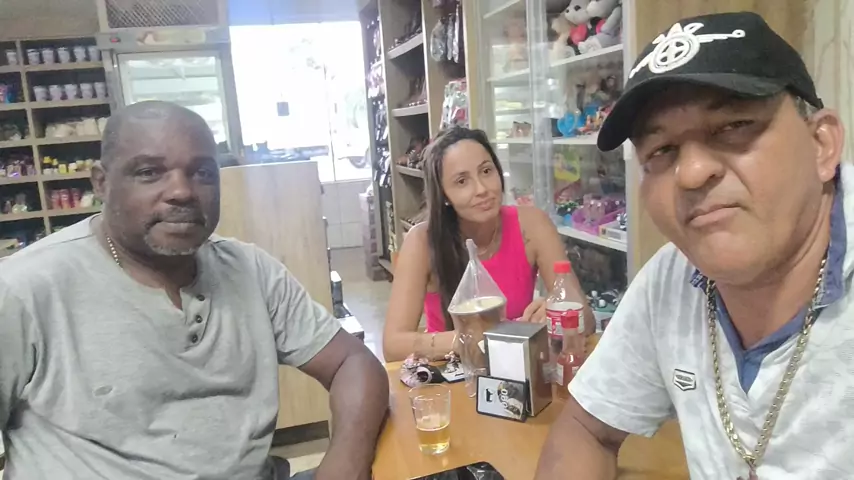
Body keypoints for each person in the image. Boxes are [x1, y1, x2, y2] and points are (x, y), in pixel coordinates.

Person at [536, 11, 851, 479]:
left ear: (821, 145)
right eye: (661, 151)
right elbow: (586, 428)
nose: (692, 173)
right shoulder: (671, 278)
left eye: (733, 126)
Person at [0, 101, 389, 480]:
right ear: (102, 182)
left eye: (202, 172)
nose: (182, 192)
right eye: (150, 172)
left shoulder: (250, 270)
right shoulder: (25, 289)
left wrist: (345, 464)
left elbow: (352, 363)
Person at [383, 127, 593, 362]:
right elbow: (393, 345)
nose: (482, 189)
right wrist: (467, 340)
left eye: (486, 171)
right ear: (444, 195)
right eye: (462, 181)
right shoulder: (422, 241)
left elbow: (587, 318)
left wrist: (557, 315)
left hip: (519, 368)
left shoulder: (532, 225)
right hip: (453, 373)